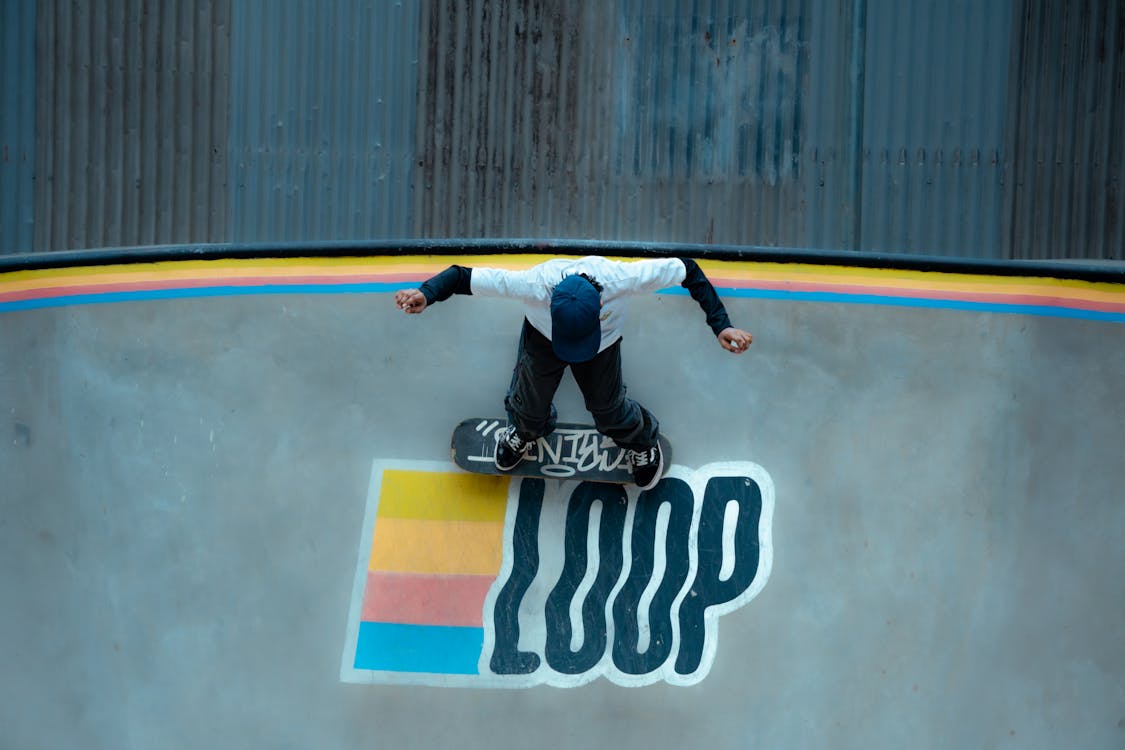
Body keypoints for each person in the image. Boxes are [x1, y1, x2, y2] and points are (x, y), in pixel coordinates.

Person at [394, 256, 752, 490]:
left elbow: (688, 270)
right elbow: (461, 276)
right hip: (543, 341)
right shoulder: (533, 285)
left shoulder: (623, 278)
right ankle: (526, 431)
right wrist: (426, 293)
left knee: (609, 411)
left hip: (602, 346)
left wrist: (721, 326)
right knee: (528, 408)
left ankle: (642, 443)